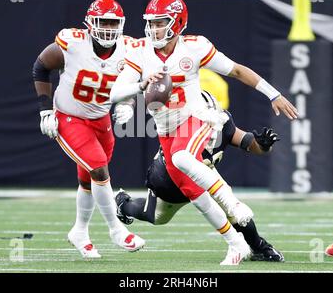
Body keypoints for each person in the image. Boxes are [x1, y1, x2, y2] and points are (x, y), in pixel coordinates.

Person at [110, 0, 298, 265]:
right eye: (151, 23)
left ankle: (239, 221)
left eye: (161, 22)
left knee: (183, 159)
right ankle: (125, 205)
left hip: (194, 119)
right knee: (166, 211)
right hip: (167, 134)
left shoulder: (195, 48)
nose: (154, 29)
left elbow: (235, 71)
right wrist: (138, 88)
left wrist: (273, 94)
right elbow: (116, 92)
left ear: (177, 22)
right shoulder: (140, 51)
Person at [32, 0, 144, 258]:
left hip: (101, 118)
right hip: (70, 116)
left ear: (121, 24)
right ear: (89, 23)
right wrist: (45, 109)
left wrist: (128, 103)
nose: (107, 27)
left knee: (88, 179)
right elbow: (41, 66)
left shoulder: (128, 49)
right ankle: (116, 230)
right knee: (99, 169)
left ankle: (79, 231)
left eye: (112, 22)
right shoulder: (73, 43)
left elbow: (133, 80)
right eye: (102, 21)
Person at [115, 91, 284, 262]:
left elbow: (249, 143)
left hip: (204, 173)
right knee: (156, 217)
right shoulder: (181, 126)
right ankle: (123, 204)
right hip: (170, 179)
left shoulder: (222, 122)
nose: (208, 121)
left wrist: (263, 145)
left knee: (233, 209)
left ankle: (259, 247)